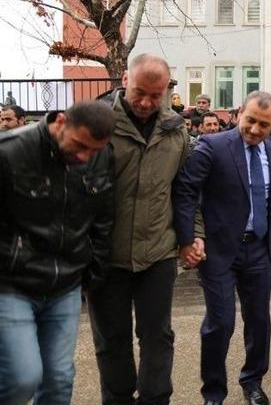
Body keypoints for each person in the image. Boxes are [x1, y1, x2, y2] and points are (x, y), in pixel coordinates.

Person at [173, 91, 271, 405]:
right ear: (238, 114)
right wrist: (187, 238)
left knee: (259, 321)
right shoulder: (213, 146)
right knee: (220, 323)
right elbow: (186, 192)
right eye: (250, 120)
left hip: (258, 252)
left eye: (264, 125)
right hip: (220, 252)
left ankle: (253, 381)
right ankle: (213, 393)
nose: (254, 129)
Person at [88, 54, 189, 405]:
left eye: (155, 95)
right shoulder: (97, 124)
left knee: (157, 336)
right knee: (111, 340)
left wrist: (193, 236)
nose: (146, 103)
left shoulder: (176, 130)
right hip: (105, 257)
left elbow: (186, 191)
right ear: (125, 80)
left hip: (158, 252)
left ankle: (155, 399)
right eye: (139, 93)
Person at [0, 101, 115, 405]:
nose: (84, 156)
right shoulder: (9, 151)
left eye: (93, 150)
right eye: (79, 145)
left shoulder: (100, 155)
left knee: (59, 379)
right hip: (12, 285)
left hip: (66, 283)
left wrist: (93, 271)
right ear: (61, 121)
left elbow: (103, 217)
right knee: (21, 377)